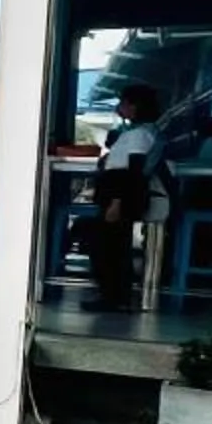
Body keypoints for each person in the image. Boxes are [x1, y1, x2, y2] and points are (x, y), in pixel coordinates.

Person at [76, 83, 166, 311]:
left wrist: (117, 202)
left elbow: (132, 171)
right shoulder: (139, 132)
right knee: (112, 243)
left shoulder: (139, 135)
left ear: (134, 106)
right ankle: (114, 295)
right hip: (119, 194)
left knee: (110, 246)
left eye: (124, 103)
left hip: (121, 195)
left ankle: (113, 296)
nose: (119, 107)